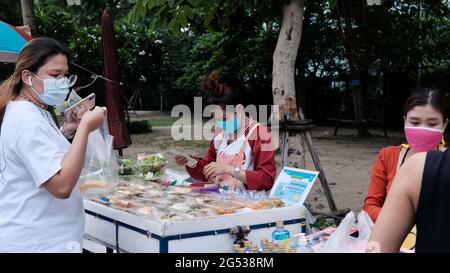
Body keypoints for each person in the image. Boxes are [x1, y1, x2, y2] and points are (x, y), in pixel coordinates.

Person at [0, 37, 106, 252]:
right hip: (36, 241)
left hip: (47, 236)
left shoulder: (36, 110)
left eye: (65, 76)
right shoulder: (25, 119)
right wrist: (85, 126)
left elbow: (42, 157)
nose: (62, 82)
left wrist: (68, 130)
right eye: (54, 75)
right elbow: (61, 186)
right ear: (27, 77)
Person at [174, 70, 276, 191]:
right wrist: (191, 162)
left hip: (250, 205)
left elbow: (267, 180)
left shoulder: (260, 134)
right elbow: (207, 171)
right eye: (216, 119)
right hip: (223, 202)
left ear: (239, 109)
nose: (221, 124)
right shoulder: (220, 135)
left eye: (224, 118)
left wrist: (229, 170)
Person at [363, 88, 448, 223]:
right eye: (414, 122)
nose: (422, 129)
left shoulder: (447, 161)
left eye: (432, 124)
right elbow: (370, 206)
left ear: (445, 124)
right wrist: (399, 224)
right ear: (405, 121)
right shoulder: (388, 156)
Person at [367, 148, 450, 253]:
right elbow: (370, 205)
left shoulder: (415, 168)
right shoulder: (389, 155)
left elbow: (376, 248)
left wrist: (397, 220)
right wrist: (400, 220)